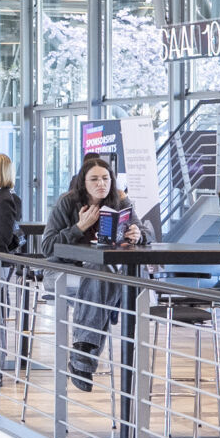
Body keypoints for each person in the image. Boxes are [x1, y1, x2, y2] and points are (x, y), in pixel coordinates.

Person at [49, 153, 145, 390]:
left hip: (101, 275)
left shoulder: (120, 202)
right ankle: (84, 355)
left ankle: (82, 356)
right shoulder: (66, 203)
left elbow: (146, 232)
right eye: (94, 179)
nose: (101, 183)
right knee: (106, 282)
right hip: (62, 272)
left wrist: (139, 235)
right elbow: (47, 247)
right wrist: (79, 227)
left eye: (105, 178)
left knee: (101, 276)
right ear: (83, 182)